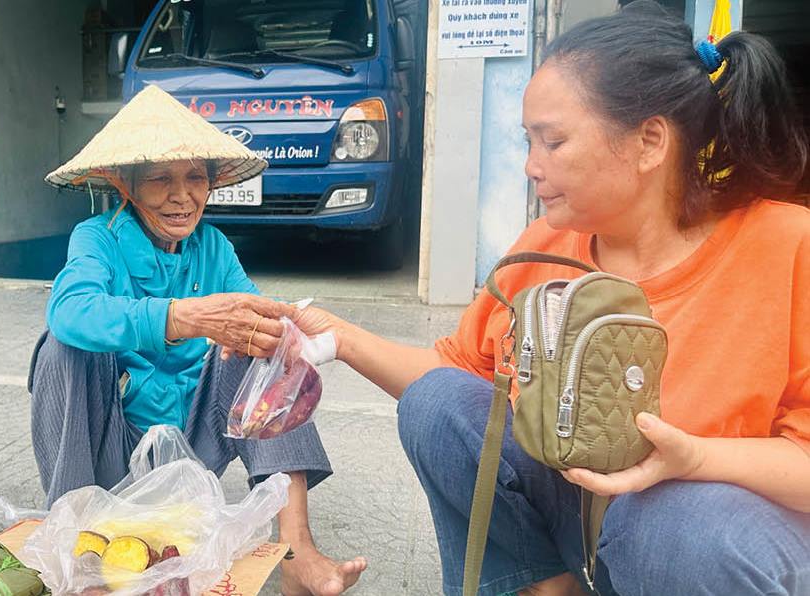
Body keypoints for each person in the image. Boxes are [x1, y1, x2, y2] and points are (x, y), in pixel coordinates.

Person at [290, 2, 810, 594]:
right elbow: (455, 376)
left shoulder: (787, 246)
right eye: (528, 141)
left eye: (554, 141)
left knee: (670, 520)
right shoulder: (546, 246)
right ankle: (545, 585)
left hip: (704, 543)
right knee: (439, 405)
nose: (531, 166)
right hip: (590, 532)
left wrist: (693, 460)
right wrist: (334, 337)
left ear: (649, 141)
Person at [29, 84, 367, 596]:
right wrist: (188, 318)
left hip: (193, 449)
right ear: (127, 185)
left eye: (195, 178)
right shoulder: (95, 238)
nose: (181, 196)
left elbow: (253, 317)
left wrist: (285, 333)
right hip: (110, 451)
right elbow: (70, 310)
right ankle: (84, 555)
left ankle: (298, 552)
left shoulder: (214, 247)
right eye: (161, 178)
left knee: (259, 351)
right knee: (64, 345)